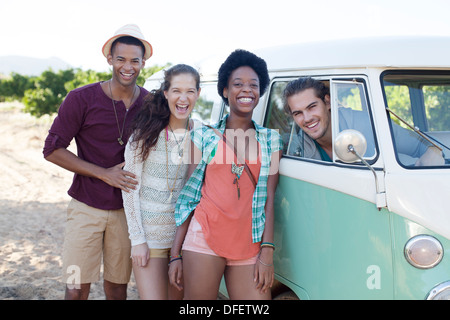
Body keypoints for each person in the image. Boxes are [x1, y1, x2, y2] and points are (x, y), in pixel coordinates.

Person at [43, 24, 151, 300]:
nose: (128, 67)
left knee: (117, 287)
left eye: (134, 61)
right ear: (109, 60)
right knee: (75, 284)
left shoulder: (151, 104)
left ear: (143, 62)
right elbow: (52, 149)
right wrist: (104, 174)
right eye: (121, 59)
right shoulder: (80, 98)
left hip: (128, 212)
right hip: (85, 206)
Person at [168, 49, 283, 300]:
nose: (246, 90)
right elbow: (190, 196)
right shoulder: (203, 136)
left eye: (253, 85)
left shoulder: (272, 140)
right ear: (224, 91)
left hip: (250, 243)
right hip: (204, 237)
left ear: (260, 92)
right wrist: (175, 253)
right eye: (237, 84)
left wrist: (267, 251)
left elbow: (269, 198)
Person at [122, 64, 201, 299]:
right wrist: (137, 240)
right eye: (176, 90)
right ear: (166, 93)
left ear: (198, 93)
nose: (183, 98)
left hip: (184, 240)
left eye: (190, 91)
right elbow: (129, 190)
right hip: (150, 238)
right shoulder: (143, 136)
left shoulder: (202, 134)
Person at [283, 76, 444, 166]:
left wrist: (434, 152)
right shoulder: (297, 147)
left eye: (312, 107)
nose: (307, 118)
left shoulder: (365, 124)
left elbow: (419, 145)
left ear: (327, 102)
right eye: (298, 113)